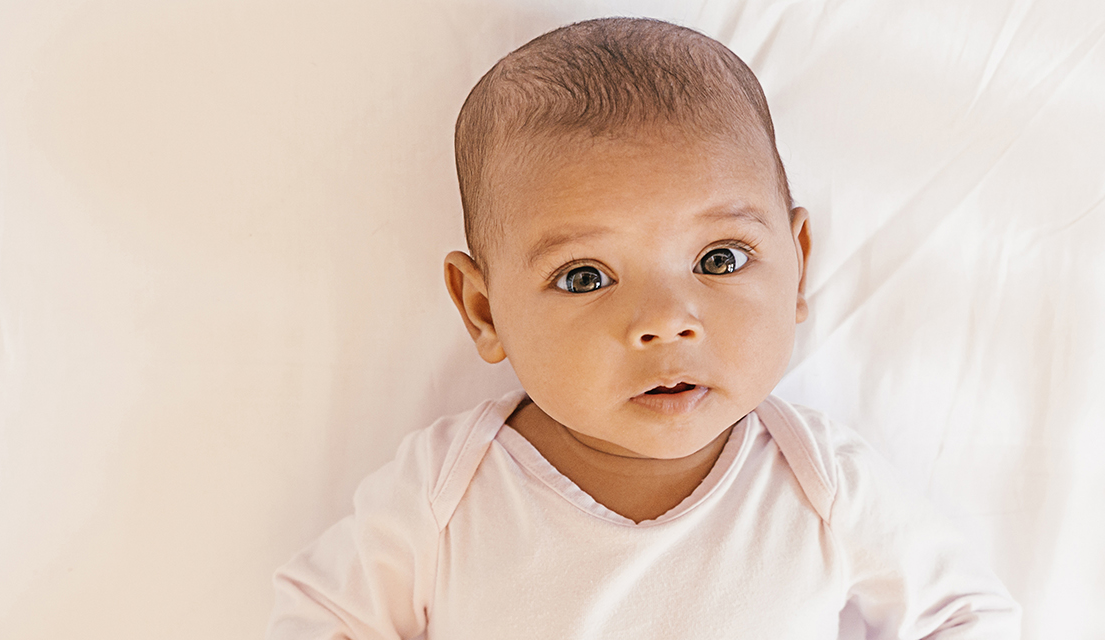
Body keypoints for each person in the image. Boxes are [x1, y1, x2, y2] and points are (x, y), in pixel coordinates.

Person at [269, 17, 1018, 639]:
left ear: (797, 265)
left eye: (720, 259)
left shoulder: (818, 483)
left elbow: (964, 613)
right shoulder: (449, 491)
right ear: (484, 310)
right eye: (585, 277)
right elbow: (322, 614)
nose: (665, 321)